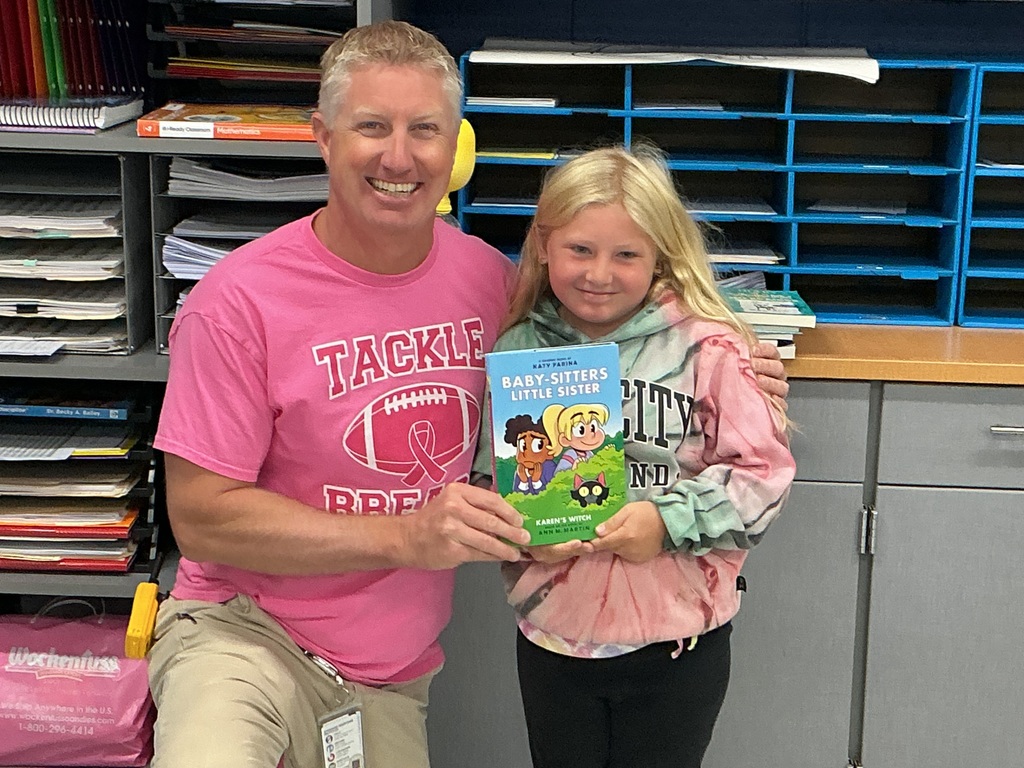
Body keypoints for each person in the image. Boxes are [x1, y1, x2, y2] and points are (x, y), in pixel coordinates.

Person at [148, 20, 791, 768]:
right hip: (242, 636)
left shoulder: (496, 286)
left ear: (455, 146)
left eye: (424, 129)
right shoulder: (236, 303)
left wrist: (737, 363)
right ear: (323, 137)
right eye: (371, 126)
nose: (398, 157)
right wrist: (404, 536)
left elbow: (624, 328)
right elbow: (200, 520)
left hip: (387, 678)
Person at [472, 145, 797, 768]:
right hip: (555, 640)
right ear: (544, 246)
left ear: (659, 256)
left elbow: (764, 477)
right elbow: (489, 481)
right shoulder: (518, 350)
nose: (600, 273)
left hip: (679, 643)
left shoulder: (710, 348)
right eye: (580, 249)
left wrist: (666, 521)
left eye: (626, 254)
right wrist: (524, 536)